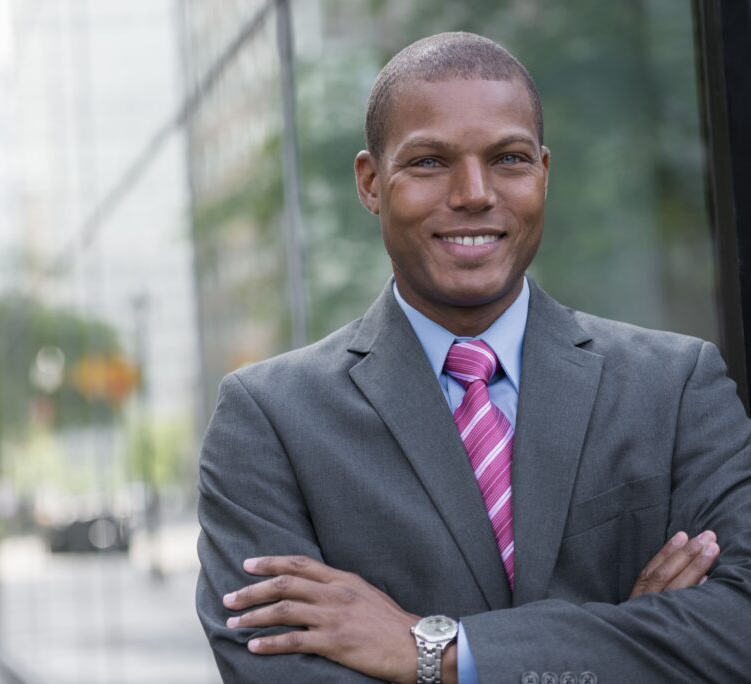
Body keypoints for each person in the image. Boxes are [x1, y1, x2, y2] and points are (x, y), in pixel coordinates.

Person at [195, 32, 751, 683]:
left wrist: (434, 651)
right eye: (430, 162)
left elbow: (737, 627)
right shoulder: (269, 419)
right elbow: (278, 675)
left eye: (509, 159)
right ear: (371, 183)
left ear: (543, 172)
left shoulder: (677, 386)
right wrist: (628, 642)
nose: (474, 193)